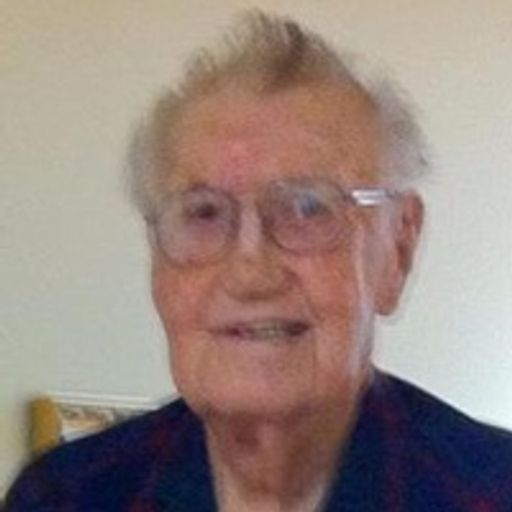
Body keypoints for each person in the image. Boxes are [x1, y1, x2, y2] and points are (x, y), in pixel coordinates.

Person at [5, 11, 512, 512]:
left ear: (398, 248)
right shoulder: (65, 496)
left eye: (308, 208)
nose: (250, 272)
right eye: (203, 213)